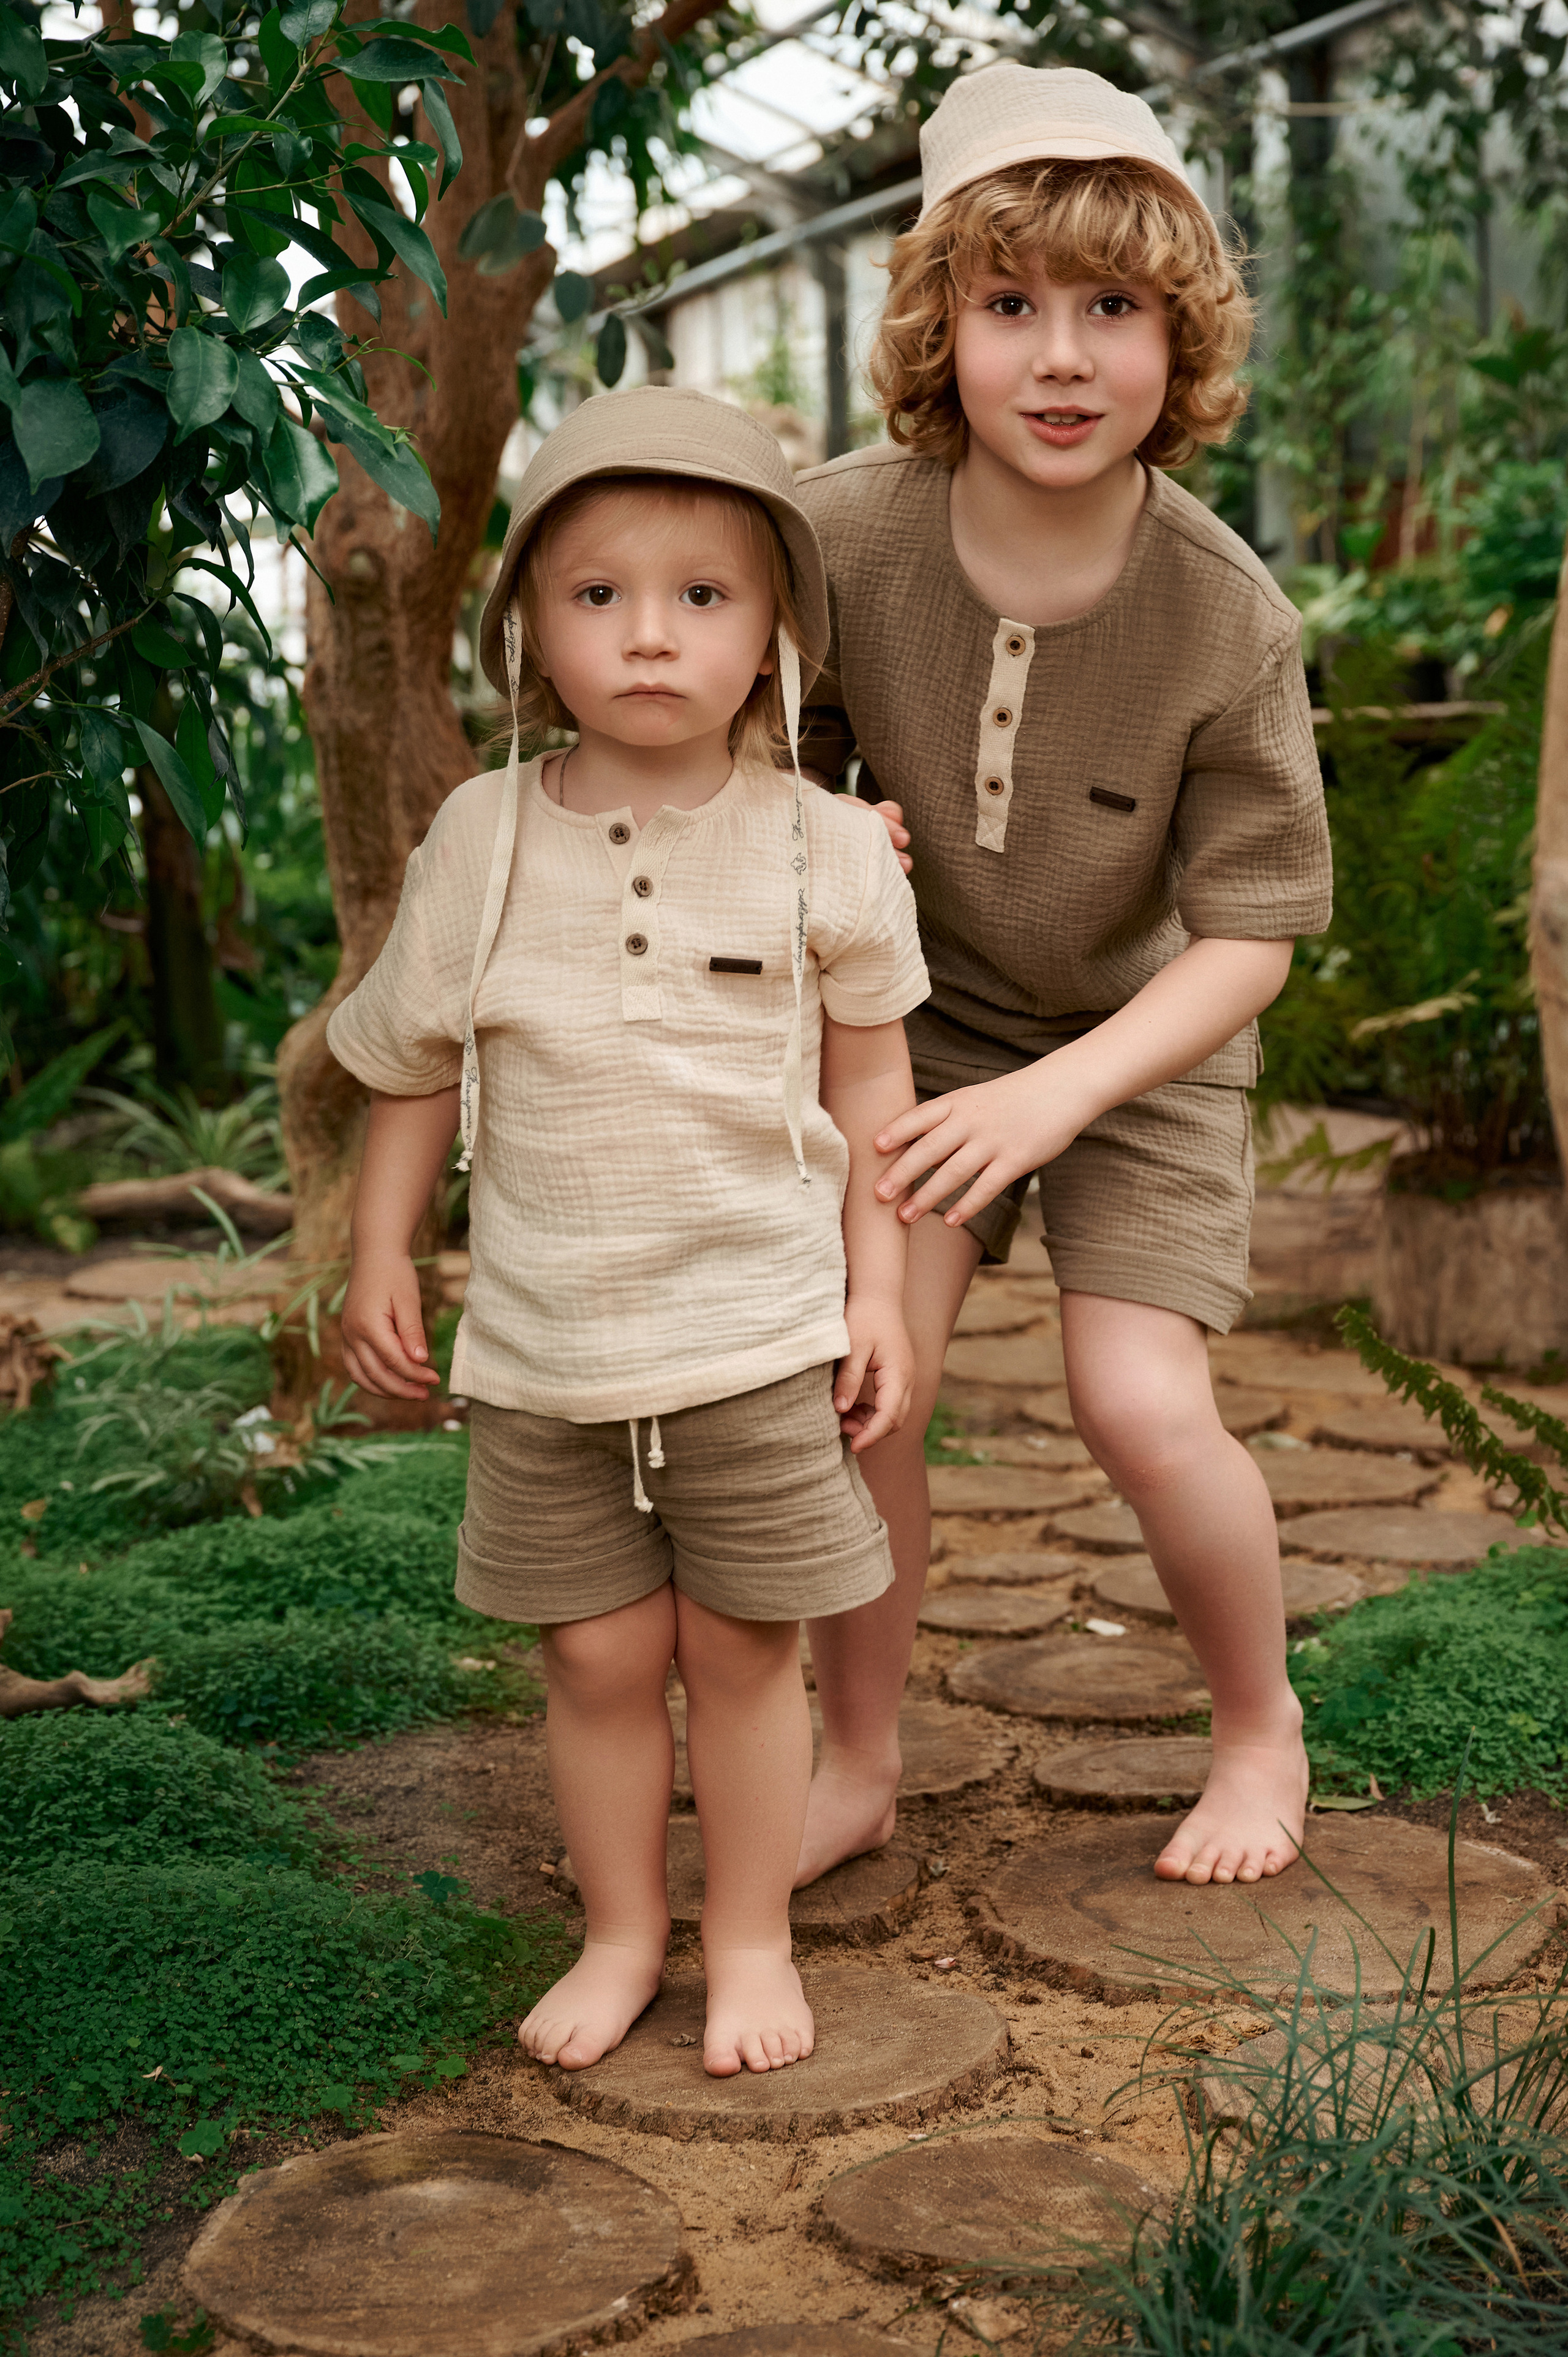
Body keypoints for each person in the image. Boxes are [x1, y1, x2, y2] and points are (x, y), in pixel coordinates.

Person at [328, 388, 927, 2077]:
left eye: (703, 597)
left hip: (756, 1327)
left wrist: (879, 1289)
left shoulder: (824, 850)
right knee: (593, 1655)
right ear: (532, 620)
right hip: (546, 1341)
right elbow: (409, 1069)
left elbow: (876, 1089)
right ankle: (621, 1930)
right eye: (598, 595)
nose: (649, 636)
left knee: (743, 1647)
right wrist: (389, 1255)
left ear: (774, 636)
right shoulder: (481, 840)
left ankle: (748, 1938)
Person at [793, 64, 1333, 1892]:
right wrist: (813, 821)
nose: (1062, 356)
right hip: (913, 1030)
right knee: (869, 1384)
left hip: (1141, 1042)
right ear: (940, 327)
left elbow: (1252, 930)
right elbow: (734, 741)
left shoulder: (1226, 611)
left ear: (1182, 345)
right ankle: (854, 1755)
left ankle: (1259, 1725)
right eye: (1011, 303)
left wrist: (1061, 1092)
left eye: (1116, 309)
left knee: (1138, 1400)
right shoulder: (835, 537)